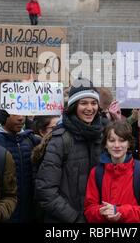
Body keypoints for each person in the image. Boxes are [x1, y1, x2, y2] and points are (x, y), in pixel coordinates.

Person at [34, 78, 103, 222]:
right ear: (73, 106)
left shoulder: (102, 136)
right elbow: (45, 190)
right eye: (83, 103)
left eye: (93, 103)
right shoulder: (60, 140)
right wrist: (75, 218)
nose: (90, 108)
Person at [84, 121, 140, 223]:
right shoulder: (96, 172)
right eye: (111, 140)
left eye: (122, 140)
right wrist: (102, 213)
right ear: (105, 144)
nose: (117, 145)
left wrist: (120, 212)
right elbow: (89, 210)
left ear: (129, 144)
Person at [0, 112, 40, 223]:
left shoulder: (30, 140)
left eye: (23, 113)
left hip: (29, 213)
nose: (20, 118)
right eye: (15, 113)